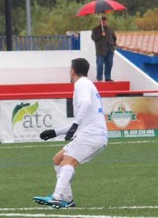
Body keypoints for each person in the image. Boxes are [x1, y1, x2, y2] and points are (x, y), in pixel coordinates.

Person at [33, 58, 108, 209]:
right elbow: (81, 119)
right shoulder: (87, 84)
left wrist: (75, 125)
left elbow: (85, 105)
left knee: (67, 162)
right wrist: (55, 132)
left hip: (91, 134)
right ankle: (68, 200)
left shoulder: (81, 84)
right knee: (58, 159)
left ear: (72, 70)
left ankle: (57, 196)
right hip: (93, 134)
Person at [91, 16, 117, 81]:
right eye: (102, 20)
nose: (104, 22)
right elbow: (93, 38)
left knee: (109, 64)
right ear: (100, 22)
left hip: (110, 49)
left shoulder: (110, 29)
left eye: (105, 20)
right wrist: (101, 35)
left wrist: (114, 45)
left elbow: (114, 37)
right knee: (100, 64)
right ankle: (99, 78)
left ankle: (108, 78)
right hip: (100, 50)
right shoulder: (95, 29)